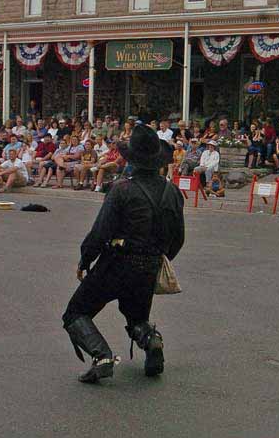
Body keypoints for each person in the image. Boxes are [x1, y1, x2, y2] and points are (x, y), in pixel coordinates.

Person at [62, 124, 185, 383]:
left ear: (132, 161)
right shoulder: (172, 192)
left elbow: (100, 232)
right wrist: (158, 258)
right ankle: (151, 341)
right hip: (149, 264)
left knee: (75, 312)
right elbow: (178, 238)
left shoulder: (121, 189)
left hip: (117, 262)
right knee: (137, 317)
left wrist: (85, 259)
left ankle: (102, 356)